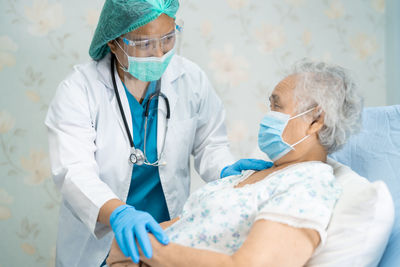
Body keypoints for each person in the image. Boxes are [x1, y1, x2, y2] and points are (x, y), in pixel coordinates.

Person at [44, 0, 270, 266]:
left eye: (168, 37)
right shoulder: (79, 90)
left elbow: (211, 144)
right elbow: (74, 171)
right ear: (113, 42)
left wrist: (225, 170)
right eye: (144, 44)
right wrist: (119, 214)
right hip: (104, 238)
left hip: (166, 233)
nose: (160, 52)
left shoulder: (191, 79)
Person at [105, 59, 364, 267]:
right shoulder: (253, 174)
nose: (268, 117)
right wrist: (129, 247)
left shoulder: (308, 186)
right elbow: (182, 225)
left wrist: (142, 252)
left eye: (277, 107)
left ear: (316, 120)